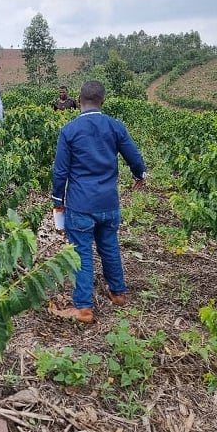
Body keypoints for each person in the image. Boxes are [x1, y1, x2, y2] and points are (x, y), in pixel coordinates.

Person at [49, 80, 146, 323]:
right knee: (109, 246)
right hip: (108, 203)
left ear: (79, 101)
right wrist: (138, 175)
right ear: (102, 101)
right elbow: (134, 156)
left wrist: (58, 201)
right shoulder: (114, 126)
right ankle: (118, 292)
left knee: (81, 253)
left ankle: (83, 307)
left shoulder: (69, 130)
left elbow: (60, 172)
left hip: (81, 205)